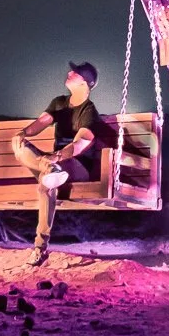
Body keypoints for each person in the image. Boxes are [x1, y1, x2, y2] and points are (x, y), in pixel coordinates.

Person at [11, 62, 100, 266]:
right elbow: (41, 122)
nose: (69, 73)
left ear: (84, 83)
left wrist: (57, 157)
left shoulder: (89, 111)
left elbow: (80, 144)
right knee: (21, 148)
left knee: (46, 181)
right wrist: (22, 133)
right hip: (53, 165)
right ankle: (51, 171)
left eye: (75, 73)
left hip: (77, 166)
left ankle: (40, 248)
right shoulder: (59, 102)